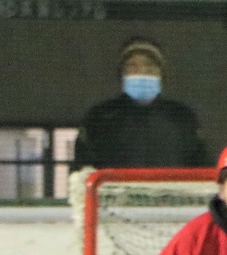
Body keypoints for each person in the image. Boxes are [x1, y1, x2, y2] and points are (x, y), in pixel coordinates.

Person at [72, 37, 208, 170]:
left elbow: (203, 168)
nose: (142, 71)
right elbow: (82, 172)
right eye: (132, 66)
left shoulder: (182, 117)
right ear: (121, 73)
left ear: (161, 73)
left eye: (149, 66)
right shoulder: (99, 117)